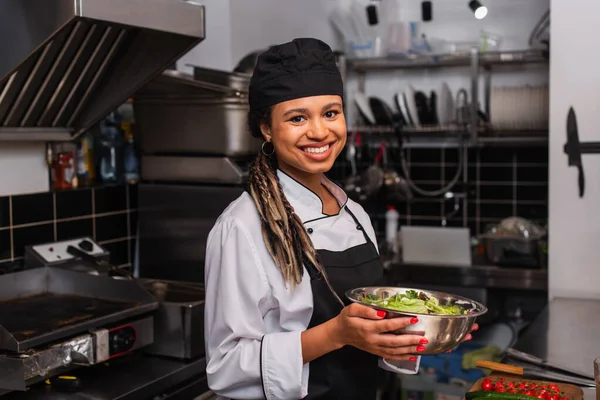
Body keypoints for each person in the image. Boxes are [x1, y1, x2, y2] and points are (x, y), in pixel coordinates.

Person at [204, 38, 476, 400]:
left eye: (331, 113)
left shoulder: (355, 214)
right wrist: (335, 334)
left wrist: (415, 335)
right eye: (297, 118)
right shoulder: (243, 227)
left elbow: (368, 336)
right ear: (267, 129)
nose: (320, 132)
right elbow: (225, 366)